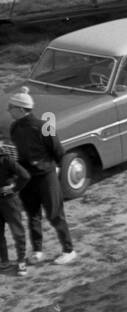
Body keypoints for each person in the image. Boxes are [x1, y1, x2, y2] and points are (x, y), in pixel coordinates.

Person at [8, 89, 76, 265]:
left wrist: (58, 172)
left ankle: (69, 250)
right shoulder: (14, 127)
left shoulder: (44, 127)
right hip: (28, 178)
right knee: (33, 215)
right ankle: (38, 250)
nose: (9, 110)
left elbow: (58, 152)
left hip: (46, 176)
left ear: (21, 109)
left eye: (11, 107)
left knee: (55, 214)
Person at [0, 127, 30, 274]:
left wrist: (13, 188)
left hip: (10, 201)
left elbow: (25, 175)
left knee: (17, 232)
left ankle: (21, 262)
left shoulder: (6, 159)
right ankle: (4, 261)